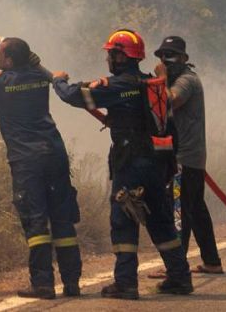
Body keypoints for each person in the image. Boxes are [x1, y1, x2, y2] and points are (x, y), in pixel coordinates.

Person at [52, 28, 193, 299]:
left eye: (111, 54)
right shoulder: (151, 84)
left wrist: (59, 81)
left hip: (131, 163)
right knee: (159, 219)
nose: (108, 59)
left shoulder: (118, 86)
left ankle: (126, 282)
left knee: (123, 219)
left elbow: (75, 96)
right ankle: (179, 277)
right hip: (157, 163)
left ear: (120, 56)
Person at [0, 20, 82, 299]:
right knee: (62, 220)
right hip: (54, 154)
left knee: (36, 222)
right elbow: (30, 65)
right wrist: (19, 53)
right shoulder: (41, 77)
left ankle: (42, 285)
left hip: (27, 161)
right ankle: (72, 283)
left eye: (0, 54)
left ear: (10, 60)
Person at [156, 35, 223, 275]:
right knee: (195, 209)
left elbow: (168, 103)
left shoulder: (185, 81)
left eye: (170, 56)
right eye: (162, 56)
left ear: (184, 58)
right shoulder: (178, 80)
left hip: (184, 158)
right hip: (190, 157)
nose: (165, 60)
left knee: (178, 211)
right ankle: (212, 261)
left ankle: (176, 267)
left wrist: (160, 79)